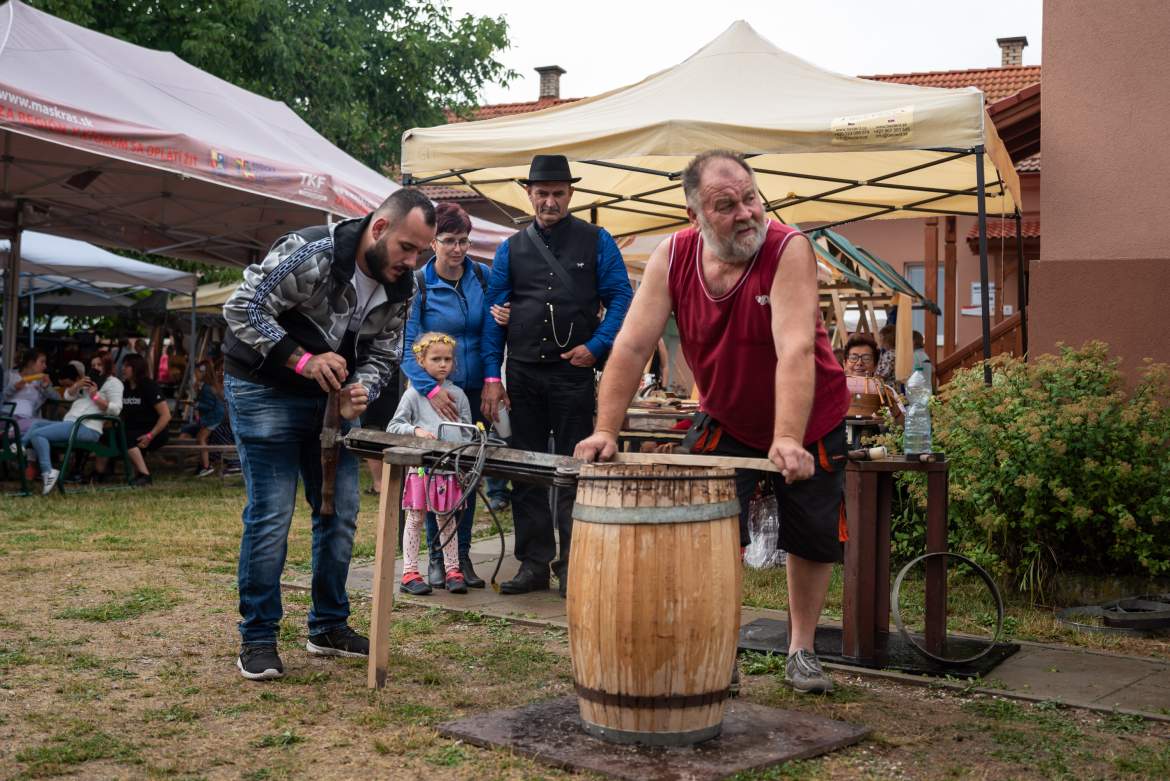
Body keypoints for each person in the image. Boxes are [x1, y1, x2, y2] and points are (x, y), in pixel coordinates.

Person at [575, 150, 849, 695]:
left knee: (813, 536)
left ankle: (801, 650)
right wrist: (606, 429)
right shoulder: (673, 257)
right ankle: (719, 650)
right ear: (695, 216)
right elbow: (631, 346)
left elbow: (795, 349)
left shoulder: (787, 248)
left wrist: (788, 438)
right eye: (726, 206)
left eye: (751, 197)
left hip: (809, 415)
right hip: (726, 414)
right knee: (708, 533)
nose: (747, 212)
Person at [221, 188, 435, 681]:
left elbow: (386, 352)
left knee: (338, 513)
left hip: (332, 401)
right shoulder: (312, 252)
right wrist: (302, 359)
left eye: (421, 251)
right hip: (263, 388)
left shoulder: (404, 286)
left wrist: (361, 389)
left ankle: (328, 625)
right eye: (408, 247)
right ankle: (257, 639)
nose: (413, 260)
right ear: (379, 228)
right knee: (272, 515)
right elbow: (242, 308)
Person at [480, 154, 634, 597]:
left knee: (574, 469)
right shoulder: (511, 248)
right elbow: (495, 312)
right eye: (542, 193)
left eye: (558, 193)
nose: (550, 200)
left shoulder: (597, 240)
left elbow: (622, 296)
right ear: (529, 194)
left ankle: (574, 564)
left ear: (570, 195)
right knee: (526, 471)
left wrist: (598, 345)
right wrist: (493, 375)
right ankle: (533, 564)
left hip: (572, 375)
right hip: (524, 374)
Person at [404, 201, 509, 591]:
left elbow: (490, 336)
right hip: (435, 394)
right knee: (437, 478)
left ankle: (459, 558)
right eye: (449, 240)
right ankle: (435, 558)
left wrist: (491, 379)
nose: (457, 249)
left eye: (464, 240)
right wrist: (431, 391)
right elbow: (405, 347)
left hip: (473, 392)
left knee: (467, 477)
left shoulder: (481, 277)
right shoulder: (418, 285)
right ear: (433, 242)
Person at [387, 332, 474, 595]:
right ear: (421, 361)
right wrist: (416, 432)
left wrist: (458, 444)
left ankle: (453, 570)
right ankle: (409, 572)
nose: (443, 364)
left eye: (447, 359)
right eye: (436, 359)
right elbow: (394, 425)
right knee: (414, 518)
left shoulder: (458, 394)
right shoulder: (413, 394)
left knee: (447, 519)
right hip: (421, 469)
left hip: (448, 470)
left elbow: (468, 431)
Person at [23, 353, 124, 495]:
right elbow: (67, 396)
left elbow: (116, 410)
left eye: (99, 365)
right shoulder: (89, 381)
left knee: (37, 434)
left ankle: (47, 472)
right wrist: (77, 385)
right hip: (71, 422)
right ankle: (20, 447)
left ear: (107, 366)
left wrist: (95, 396)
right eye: (93, 365)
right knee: (36, 425)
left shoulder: (114, 383)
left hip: (87, 427)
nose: (95, 368)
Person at [109, 353, 171, 486]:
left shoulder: (149, 386)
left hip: (155, 432)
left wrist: (150, 435)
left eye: (127, 366)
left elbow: (166, 415)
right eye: (123, 366)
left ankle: (145, 476)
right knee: (113, 435)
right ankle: (102, 472)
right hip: (133, 430)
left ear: (136, 368)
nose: (123, 369)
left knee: (126, 437)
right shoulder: (123, 387)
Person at [180, 359, 226, 477]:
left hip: (213, 417)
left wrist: (195, 404)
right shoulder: (209, 386)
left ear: (203, 372)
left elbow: (209, 405)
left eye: (196, 372)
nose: (195, 375)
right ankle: (203, 465)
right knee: (200, 438)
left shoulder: (206, 387)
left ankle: (206, 466)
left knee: (201, 438)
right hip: (215, 415)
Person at [3, 349, 59, 433]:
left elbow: (57, 398)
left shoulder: (41, 381)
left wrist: (46, 386)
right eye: (42, 362)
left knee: (46, 427)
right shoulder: (9, 375)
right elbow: (1, 397)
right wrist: (14, 388)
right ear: (31, 363)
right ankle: (13, 433)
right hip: (7, 418)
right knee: (43, 426)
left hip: (28, 420)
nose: (45, 366)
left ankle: (13, 434)